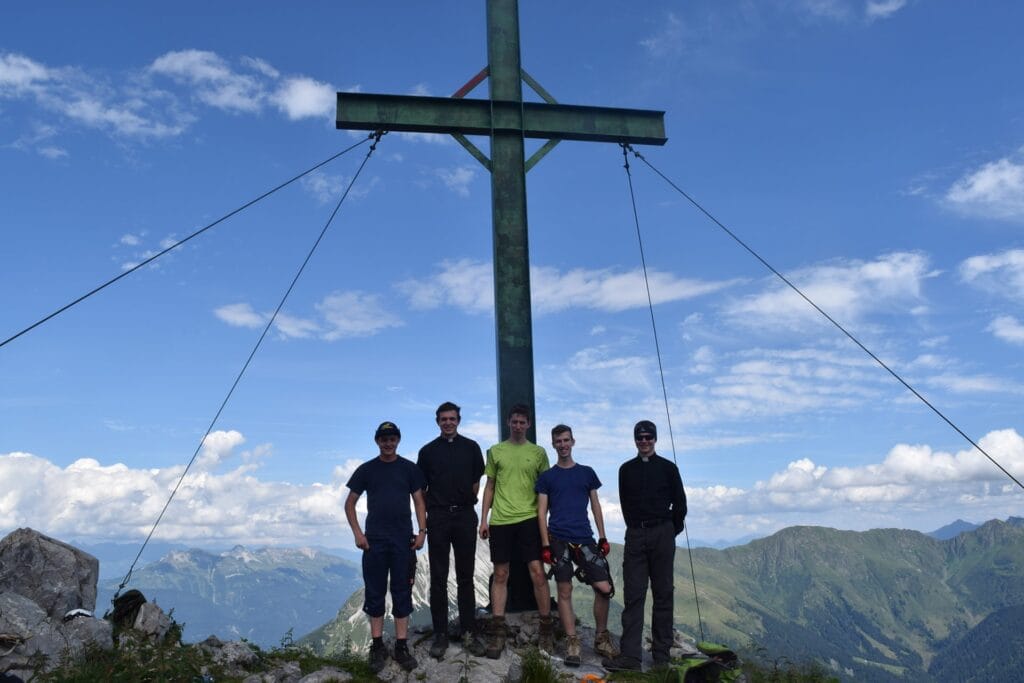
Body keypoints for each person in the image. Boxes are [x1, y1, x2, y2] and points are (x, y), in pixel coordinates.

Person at [603, 420, 687, 672]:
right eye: (640, 437)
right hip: (637, 534)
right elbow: (625, 503)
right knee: (634, 594)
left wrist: (670, 529)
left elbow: (680, 504)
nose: (644, 441)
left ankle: (661, 655)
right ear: (635, 440)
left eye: (649, 437)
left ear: (655, 439)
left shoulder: (669, 468)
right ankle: (631, 656)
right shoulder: (625, 470)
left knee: (663, 593)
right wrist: (638, 528)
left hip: (662, 532)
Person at [344, 421, 427, 674]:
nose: (388, 443)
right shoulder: (366, 470)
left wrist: (422, 532)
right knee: (375, 592)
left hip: (403, 539)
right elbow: (349, 504)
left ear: (398, 440)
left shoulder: (409, 469)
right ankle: (377, 645)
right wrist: (358, 533)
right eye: (384, 439)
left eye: (392, 439)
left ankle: (402, 645)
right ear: (377, 441)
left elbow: (419, 502)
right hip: (375, 540)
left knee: (402, 591)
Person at [536, 424, 621, 667]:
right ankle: (572, 641)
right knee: (564, 591)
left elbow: (595, 506)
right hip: (558, 539)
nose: (562, 445)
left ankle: (601, 638)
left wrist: (602, 537)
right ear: (553, 445)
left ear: (573, 441)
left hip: (584, 538)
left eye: (566, 440)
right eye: (558, 441)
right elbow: (541, 513)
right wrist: (545, 544)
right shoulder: (547, 477)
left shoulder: (587, 473)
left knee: (604, 588)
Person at [478, 403, 554, 658]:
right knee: (500, 574)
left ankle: (545, 630)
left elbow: (546, 490)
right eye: (515, 421)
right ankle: (497, 633)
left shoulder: (539, 453)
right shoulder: (496, 451)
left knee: (537, 572)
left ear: (528, 425)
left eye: (523, 422)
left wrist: (547, 523)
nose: (518, 426)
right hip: (501, 521)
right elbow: (489, 486)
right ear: (508, 423)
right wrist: (484, 519)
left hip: (530, 519)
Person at [417, 401, 487, 659]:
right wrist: (426, 521)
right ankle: (441, 635)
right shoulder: (427, 452)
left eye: (452, 418)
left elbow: (476, 482)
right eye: (443, 419)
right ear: (437, 422)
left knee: (466, 577)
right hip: (438, 516)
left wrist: (464, 503)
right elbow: (420, 491)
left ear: (459, 420)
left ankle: (469, 633)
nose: (448, 422)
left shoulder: (471, 448)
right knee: (438, 578)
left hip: (464, 515)